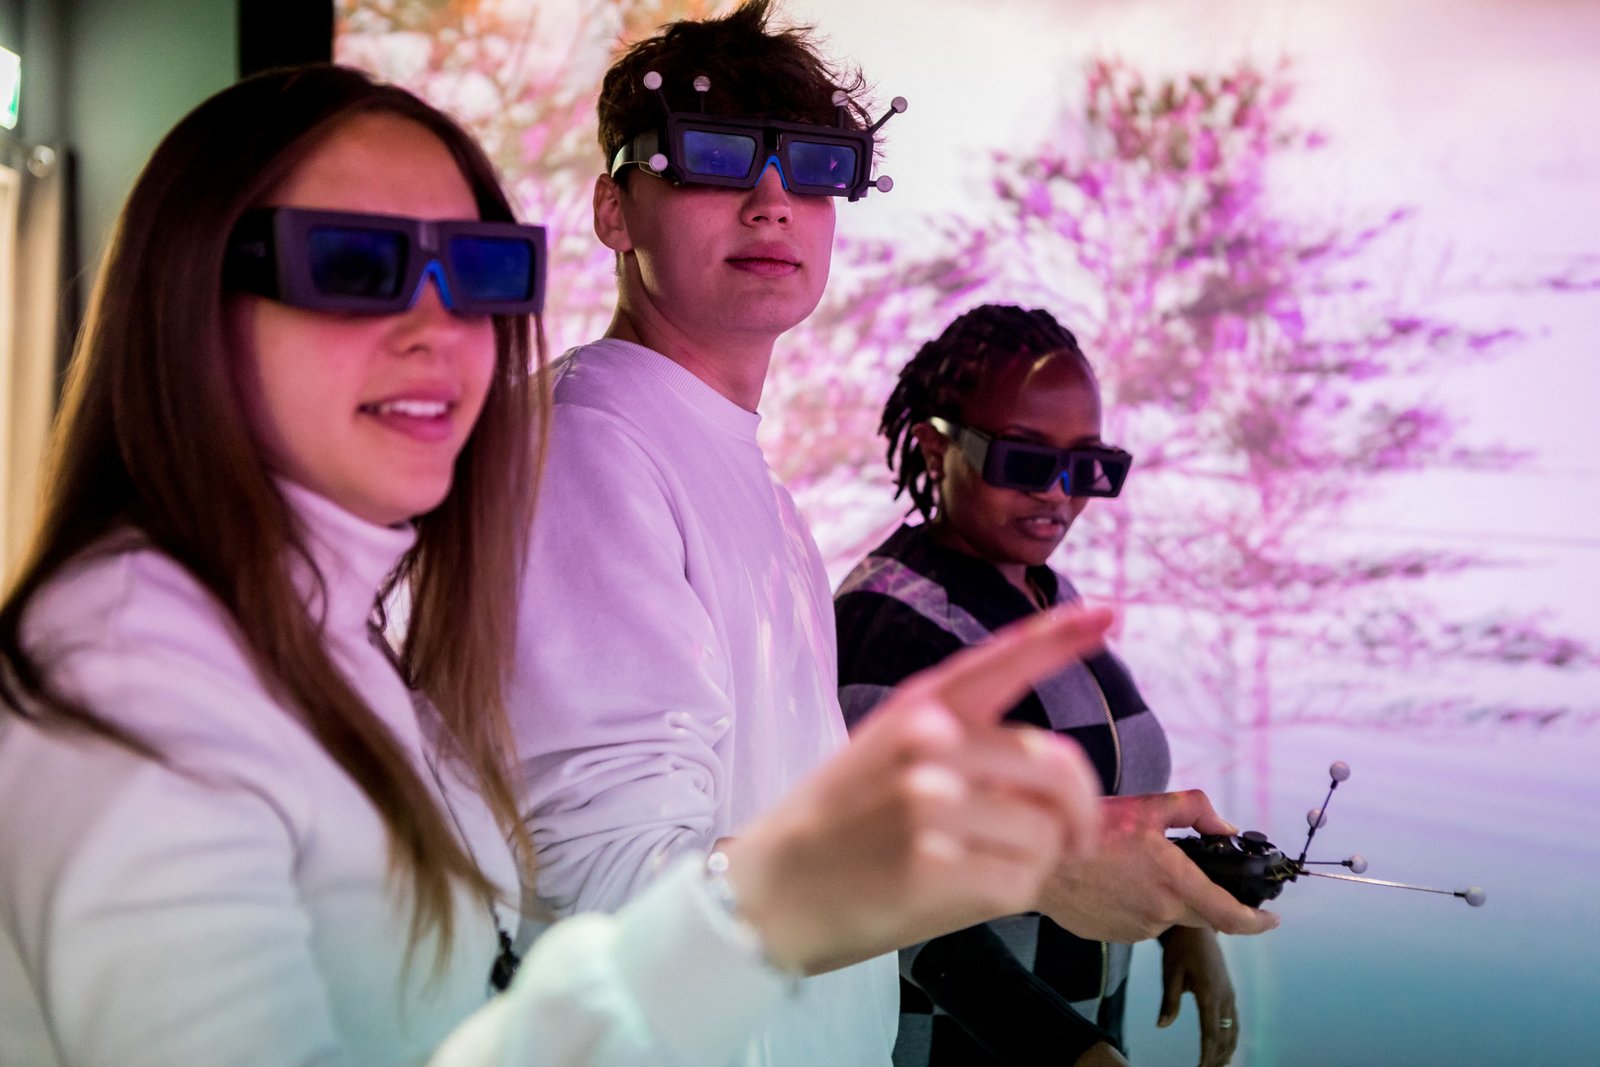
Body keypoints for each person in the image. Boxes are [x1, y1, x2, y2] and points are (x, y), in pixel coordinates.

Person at [0, 67, 1115, 1067]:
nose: (436, 324)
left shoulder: (316, 631)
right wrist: (859, 883)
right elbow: (598, 876)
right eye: (350, 264)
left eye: (481, 270)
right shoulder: (135, 664)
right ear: (189, 294)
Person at [505, 5, 1274, 1067]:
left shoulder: (736, 475)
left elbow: (799, 832)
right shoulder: (592, 449)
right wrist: (1033, 867)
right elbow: (611, 885)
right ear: (613, 209)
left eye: (815, 166)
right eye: (716, 157)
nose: (772, 201)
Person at [836, 304, 1244, 1067]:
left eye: (1088, 465)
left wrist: (1190, 919)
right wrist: (1074, 1052)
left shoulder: (1045, 594)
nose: (1059, 494)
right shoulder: (892, 625)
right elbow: (897, 903)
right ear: (932, 444)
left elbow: (1109, 811)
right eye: (1025, 461)